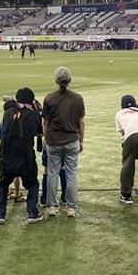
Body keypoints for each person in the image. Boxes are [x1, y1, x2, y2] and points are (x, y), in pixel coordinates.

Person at [0, 87, 44, 224]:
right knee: (32, 184)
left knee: (3, 184)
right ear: (31, 101)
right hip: (25, 156)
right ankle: (32, 213)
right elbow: (40, 132)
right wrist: (36, 112)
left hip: (6, 155)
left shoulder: (8, 113)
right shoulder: (35, 116)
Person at [42, 66, 85, 218]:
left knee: (52, 173)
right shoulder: (78, 98)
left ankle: (52, 206)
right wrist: (81, 140)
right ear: (69, 80)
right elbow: (81, 122)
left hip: (54, 141)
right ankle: (71, 207)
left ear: (56, 80)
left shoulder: (49, 98)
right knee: (71, 174)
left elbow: (46, 123)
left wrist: (46, 140)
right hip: (72, 140)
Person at [0, 98, 24, 202]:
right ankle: (17, 194)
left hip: (4, 151)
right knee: (16, 174)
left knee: (5, 173)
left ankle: (7, 193)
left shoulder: (2, 123)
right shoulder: (18, 121)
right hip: (15, 151)